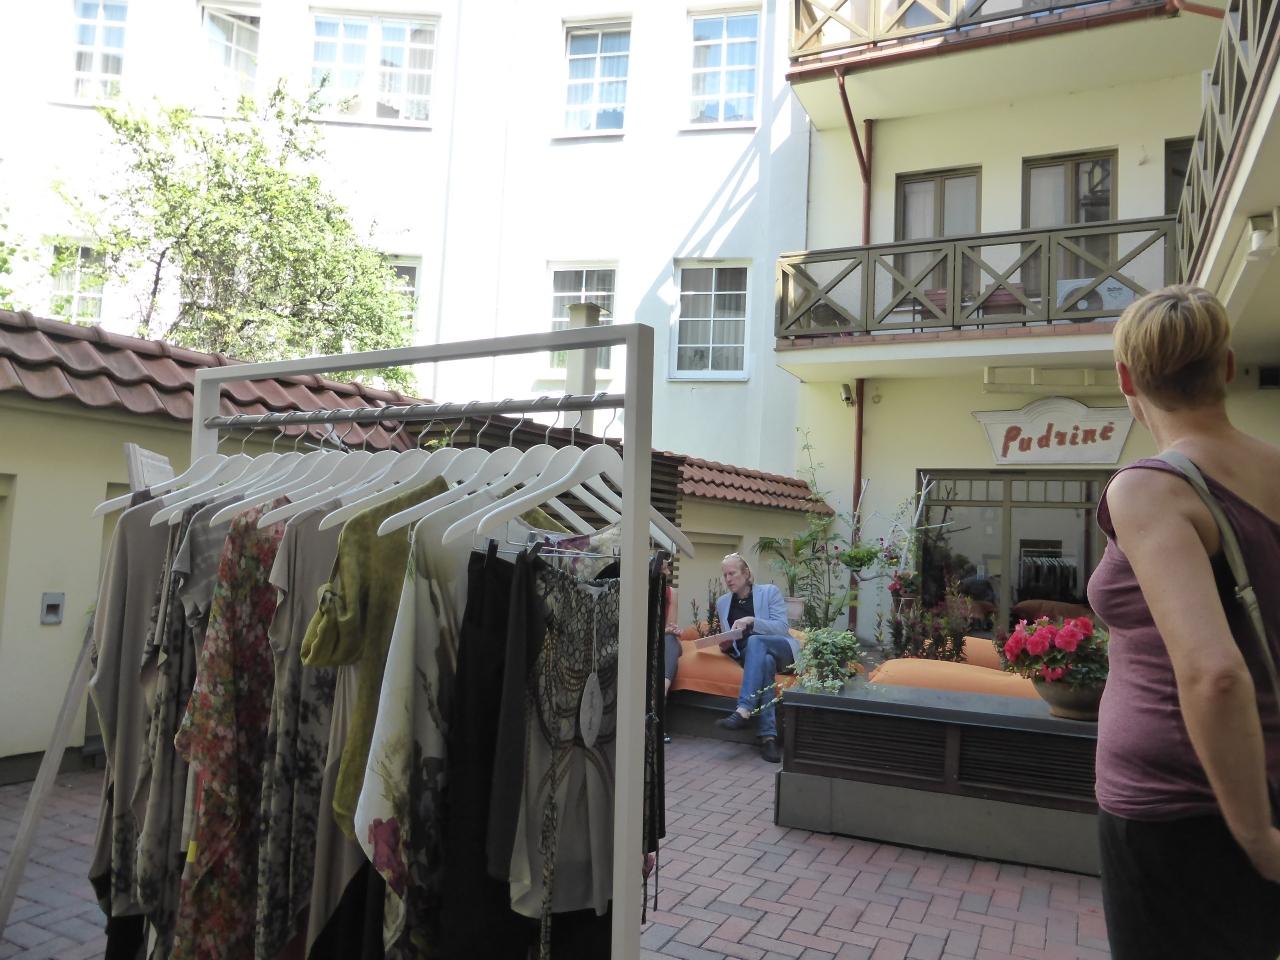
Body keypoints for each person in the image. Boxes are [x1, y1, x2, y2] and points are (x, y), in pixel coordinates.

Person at [1087, 285, 1280, 959]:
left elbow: (1213, 672)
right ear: (1225, 366)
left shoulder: (1151, 488)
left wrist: (1256, 836)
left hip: (1180, 808)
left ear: (1126, 379)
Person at [712, 553, 795, 763]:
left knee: (756, 641)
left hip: (782, 649)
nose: (728, 579)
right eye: (725, 575)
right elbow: (732, 637)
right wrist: (725, 644)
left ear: (746, 573)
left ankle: (744, 709)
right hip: (751, 656)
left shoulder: (769, 592)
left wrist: (752, 621)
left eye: (732, 573)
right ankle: (768, 738)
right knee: (765, 662)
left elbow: (782, 628)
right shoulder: (723, 603)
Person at [659, 551, 679, 743]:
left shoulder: (672, 593)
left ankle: (662, 689)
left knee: (671, 640)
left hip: (665, 640)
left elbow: (670, 627)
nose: (669, 571)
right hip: (648, 639)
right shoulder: (641, 591)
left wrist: (670, 630)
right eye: (665, 568)